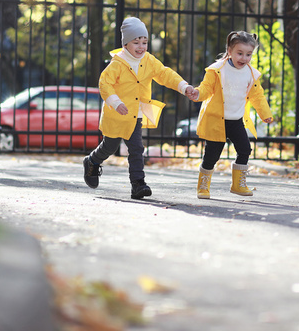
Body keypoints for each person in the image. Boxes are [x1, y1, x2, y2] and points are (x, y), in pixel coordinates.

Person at [83, 17, 194, 199]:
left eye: (144, 42)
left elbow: (165, 74)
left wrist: (184, 86)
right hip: (117, 114)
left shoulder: (148, 60)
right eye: (136, 42)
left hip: (136, 113)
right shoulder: (117, 64)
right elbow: (105, 84)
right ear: (126, 43)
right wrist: (116, 102)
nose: (141, 47)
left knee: (136, 148)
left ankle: (138, 184)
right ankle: (92, 161)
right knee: (109, 147)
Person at [187, 31, 273, 199]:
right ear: (230, 51)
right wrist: (197, 94)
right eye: (239, 53)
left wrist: (265, 114)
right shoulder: (218, 70)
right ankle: (203, 186)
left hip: (236, 121)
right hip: (216, 121)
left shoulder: (251, 74)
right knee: (212, 155)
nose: (244, 58)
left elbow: (258, 96)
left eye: (248, 54)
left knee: (245, 149)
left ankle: (238, 185)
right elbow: (206, 88)